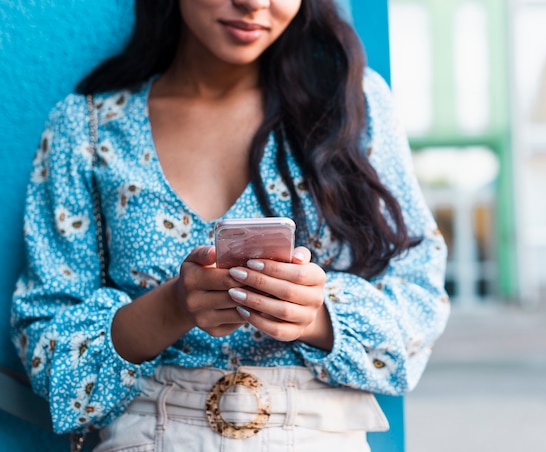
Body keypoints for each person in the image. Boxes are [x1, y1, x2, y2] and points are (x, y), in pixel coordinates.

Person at [11, 0, 450, 450]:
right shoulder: (89, 127)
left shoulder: (350, 105)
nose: (254, 3)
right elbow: (48, 349)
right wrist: (173, 307)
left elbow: (420, 298)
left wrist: (315, 315)